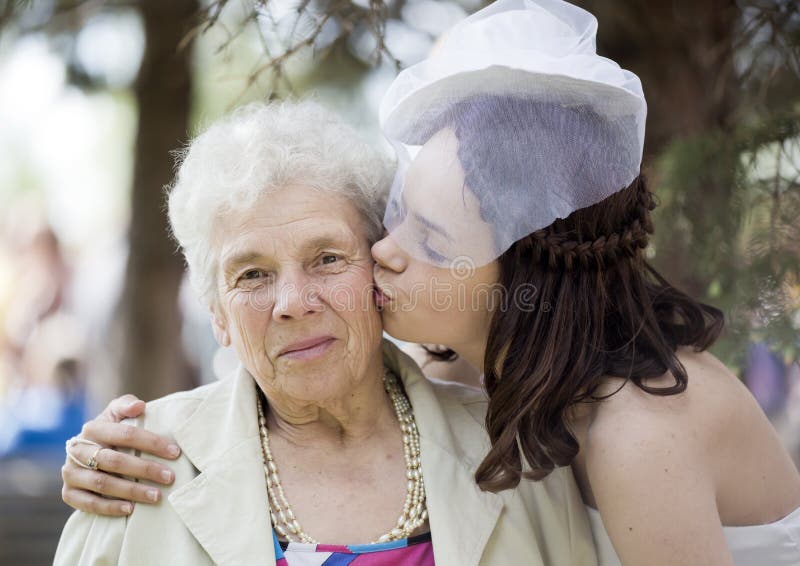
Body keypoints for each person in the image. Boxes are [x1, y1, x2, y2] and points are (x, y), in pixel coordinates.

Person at [61, 0, 800, 564]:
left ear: (525, 283)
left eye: (433, 241)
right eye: (398, 217)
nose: (386, 253)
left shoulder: (626, 432)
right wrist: (97, 451)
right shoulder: (473, 371)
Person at [54, 100, 596, 565]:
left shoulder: (514, 449)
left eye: (327, 258)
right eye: (252, 275)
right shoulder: (138, 463)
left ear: (378, 269)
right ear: (217, 314)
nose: (293, 303)